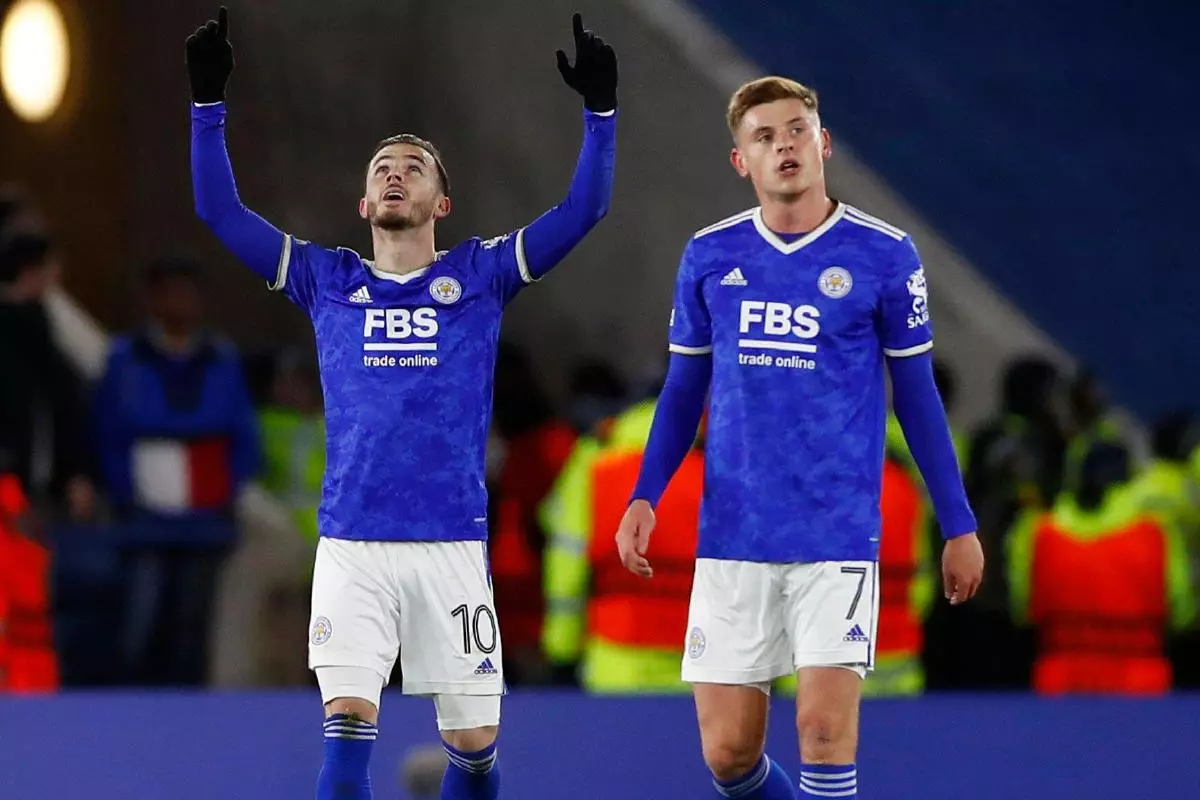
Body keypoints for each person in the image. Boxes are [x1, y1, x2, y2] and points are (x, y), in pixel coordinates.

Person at [185, 7, 617, 800]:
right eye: (383, 166)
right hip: (352, 545)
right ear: (361, 205)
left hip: (450, 543)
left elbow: (581, 213)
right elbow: (219, 213)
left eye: (414, 166)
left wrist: (600, 116)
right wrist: (208, 108)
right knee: (346, 741)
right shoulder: (327, 280)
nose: (394, 172)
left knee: (474, 750)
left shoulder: (480, 277)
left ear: (441, 205)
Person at [614, 77, 983, 799]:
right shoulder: (711, 256)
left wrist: (958, 522)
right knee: (728, 755)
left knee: (822, 732)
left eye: (796, 129)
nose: (784, 143)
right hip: (733, 534)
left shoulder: (885, 254)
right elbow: (684, 388)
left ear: (824, 144)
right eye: (764, 136)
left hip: (835, 532)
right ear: (740, 162)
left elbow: (916, 395)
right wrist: (645, 493)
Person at [92, 257, 261, 686]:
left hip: (205, 517)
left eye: (187, 293)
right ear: (152, 299)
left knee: (193, 622)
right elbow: (108, 431)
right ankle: (128, 710)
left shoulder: (220, 358)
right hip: (143, 517)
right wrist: (124, 491)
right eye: (170, 292)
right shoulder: (126, 357)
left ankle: (188, 718)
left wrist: (227, 487)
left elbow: (242, 433)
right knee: (139, 620)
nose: (180, 303)